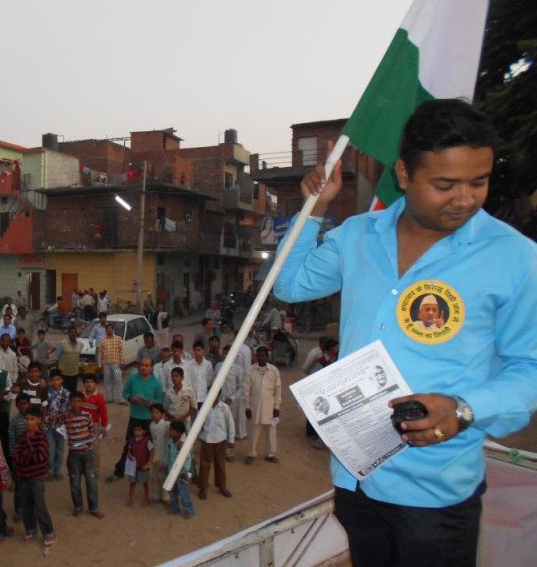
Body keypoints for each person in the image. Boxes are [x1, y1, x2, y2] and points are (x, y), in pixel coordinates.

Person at [273, 99, 537, 567]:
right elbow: (290, 285)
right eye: (444, 184)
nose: (465, 198)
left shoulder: (515, 258)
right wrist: (314, 209)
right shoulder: (358, 235)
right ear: (403, 173)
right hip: (358, 478)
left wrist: (463, 408)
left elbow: (529, 369)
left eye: (479, 181)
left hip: (437, 491)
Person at [107, 356, 163, 482]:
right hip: (135, 418)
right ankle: (119, 471)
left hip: (149, 420)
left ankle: (147, 472)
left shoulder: (157, 383)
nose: (144, 367)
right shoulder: (132, 379)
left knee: (150, 447)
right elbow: (125, 393)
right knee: (129, 445)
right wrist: (131, 398)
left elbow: (160, 400)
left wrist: (152, 403)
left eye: (147, 365)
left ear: (152, 367)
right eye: (142, 365)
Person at [13, 406, 55, 547]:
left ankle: (48, 532)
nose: (29, 422)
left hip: (36, 477)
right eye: (27, 419)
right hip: (24, 477)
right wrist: (26, 458)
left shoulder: (41, 436)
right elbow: (16, 454)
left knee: (39, 505)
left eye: (32, 419)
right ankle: (30, 529)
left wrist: (24, 458)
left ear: (38, 420)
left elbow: (41, 456)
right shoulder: (24, 436)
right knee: (26, 505)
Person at [65, 391, 103, 518]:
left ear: (83, 402)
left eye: (79, 401)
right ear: (70, 402)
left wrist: (89, 443)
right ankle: (78, 506)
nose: (76, 404)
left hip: (87, 453)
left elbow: (92, 431)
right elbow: (50, 421)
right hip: (73, 454)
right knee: (74, 482)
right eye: (73, 401)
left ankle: (94, 508)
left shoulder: (87, 415)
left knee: (91, 481)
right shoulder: (66, 416)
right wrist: (61, 415)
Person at [242, 346, 282, 465]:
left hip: (270, 408)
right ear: (256, 356)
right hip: (254, 407)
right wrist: (247, 407)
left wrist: (277, 407)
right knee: (253, 431)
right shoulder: (250, 370)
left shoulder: (274, 370)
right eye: (259, 355)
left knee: (271, 432)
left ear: (267, 356)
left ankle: (270, 454)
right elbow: (246, 391)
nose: (261, 358)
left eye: (263, 355)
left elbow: (278, 390)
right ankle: (251, 454)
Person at [197, 395, 235, 500]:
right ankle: (203, 488)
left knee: (220, 464)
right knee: (204, 465)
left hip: (220, 440)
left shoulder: (224, 407)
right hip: (207, 440)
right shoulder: (204, 407)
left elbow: (230, 423)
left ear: (219, 395)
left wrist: (231, 440)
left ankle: (222, 486)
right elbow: (198, 423)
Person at [216, 343, 246, 454]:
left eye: (228, 353)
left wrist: (232, 398)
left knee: (230, 426)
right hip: (219, 402)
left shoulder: (238, 369)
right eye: (224, 353)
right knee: (218, 425)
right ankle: (219, 449)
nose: (226, 355)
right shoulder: (218, 366)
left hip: (231, 403)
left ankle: (228, 451)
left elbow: (241, 388)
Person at [164, 421, 195, 519]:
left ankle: (189, 510)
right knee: (173, 491)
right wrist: (165, 465)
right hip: (172, 472)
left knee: (183, 492)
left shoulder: (183, 445)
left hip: (182, 473)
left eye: (171, 430)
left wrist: (186, 472)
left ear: (178, 433)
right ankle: (175, 507)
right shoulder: (170, 442)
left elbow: (188, 460)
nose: (169, 432)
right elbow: (167, 454)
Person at [8, 393, 31, 523]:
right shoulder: (14, 422)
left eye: (25, 404)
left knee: (32, 486)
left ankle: (30, 508)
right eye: (20, 404)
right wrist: (13, 458)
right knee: (19, 487)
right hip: (19, 459)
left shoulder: (34, 419)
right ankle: (18, 510)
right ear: (16, 405)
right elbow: (11, 441)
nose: (23, 406)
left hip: (32, 459)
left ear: (29, 404)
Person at [45, 369, 70, 480]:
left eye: (57, 379)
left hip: (61, 426)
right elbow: (44, 408)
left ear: (62, 380)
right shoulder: (46, 392)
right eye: (53, 380)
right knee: (50, 450)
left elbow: (69, 410)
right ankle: (50, 471)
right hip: (48, 426)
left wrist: (59, 417)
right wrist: (47, 418)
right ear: (50, 381)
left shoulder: (67, 393)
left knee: (60, 449)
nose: (55, 382)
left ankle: (57, 471)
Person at [81, 373, 108, 467]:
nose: (89, 384)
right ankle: (84, 467)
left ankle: (94, 469)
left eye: (91, 382)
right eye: (87, 382)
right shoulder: (81, 396)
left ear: (95, 384)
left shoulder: (99, 397)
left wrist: (104, 427)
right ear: (83, 384)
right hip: (82, 425)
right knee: (82, 446)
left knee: (94, 447)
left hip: (94, 426)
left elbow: (103, 413)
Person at [126, 421, 154, 506]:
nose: (137, 432)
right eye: (135, 430)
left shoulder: (147, 441)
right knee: (132, 482)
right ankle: (131, 498)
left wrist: (148, 464)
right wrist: (129, 454)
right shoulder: (131, 441)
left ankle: (146, 498)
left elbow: (152, 452)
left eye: (139, 430)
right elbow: (129, 450)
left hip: (143, 466)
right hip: (134, 466)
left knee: (145, 482)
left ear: (144, 431)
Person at [148, 403, 170, 504]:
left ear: (162, 414)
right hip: (154, 456)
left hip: (163, 455)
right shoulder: (151, 425)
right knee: (155, 477)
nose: (154, 414)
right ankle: (156, 496)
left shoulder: (166, 425)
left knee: (163, 477)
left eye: (157, 412)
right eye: (152, 412)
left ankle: (165, 497)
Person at [164, 367, 197, 431]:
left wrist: (184, 417)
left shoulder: (188, 390)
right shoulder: (168, 392)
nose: (174, 378)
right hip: (172, 422)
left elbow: (194, 407)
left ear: (182, 377)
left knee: (185, 440)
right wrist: (171, 418)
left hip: (185, 422)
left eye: (176, 376)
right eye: (172, 376)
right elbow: (165, 409)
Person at [99, 323, 124, 404]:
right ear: (105, 330)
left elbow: (121, 351)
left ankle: (121, 400)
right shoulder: (103, 340)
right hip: (106, 364)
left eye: (110, 328)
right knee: (107, 382)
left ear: (113, 330)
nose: (109, 330)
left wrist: (122, 362)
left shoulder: (118, 339)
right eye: (107, 329)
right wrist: (101, 366)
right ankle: (110, 398)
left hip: (116, 363)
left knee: (118, 381)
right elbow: (101, 353)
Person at [56, 325, 83, 394]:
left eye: (75, 332)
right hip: (63, 374)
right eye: (71, 332)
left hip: (74, 373)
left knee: (73, 393)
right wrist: (58, 373)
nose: (73, 334)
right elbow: (57, 359)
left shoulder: (81, 344)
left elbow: (77, 357)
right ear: (68, 333)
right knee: (64, 393)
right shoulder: (61, 344)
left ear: (76, 334)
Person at [186, 340, 213, 410]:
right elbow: (188, 381)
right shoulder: (188, 364)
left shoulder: (208, 364)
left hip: (204, 397)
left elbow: (209, 381)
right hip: (192, 398)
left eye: (199, 350)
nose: (197, 352)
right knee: (193, 419)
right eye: (195, 350)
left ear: (203, 350)